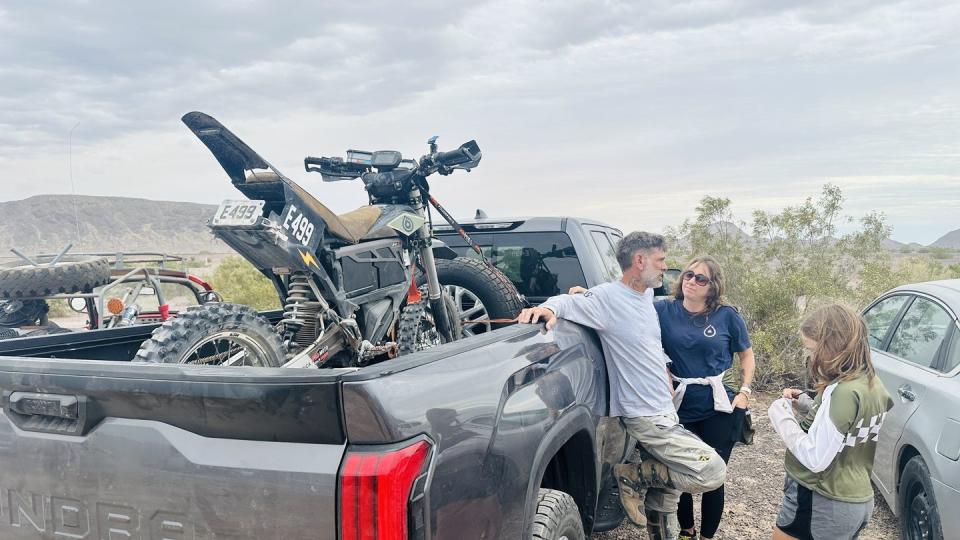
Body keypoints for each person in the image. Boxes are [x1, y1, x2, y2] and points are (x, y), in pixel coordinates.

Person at [518, 232, 726, 540]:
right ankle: (633, 476)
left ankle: (649, 488)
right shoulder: (606, 298)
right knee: (712, 471)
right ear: (639, 261)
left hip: (664, 408)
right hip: (646, 414)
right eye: (660, 260)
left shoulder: (643, 295)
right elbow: (568, 303)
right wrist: (548, 308)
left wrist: (664, 369)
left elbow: (639, 332)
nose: (665, 267)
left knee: (666, 497)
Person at [768, 304, 894, 540]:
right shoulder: (871, 383)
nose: (812, 357)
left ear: (833, 346)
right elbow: (852, 428)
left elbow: (815, 458)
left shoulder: (843, 393)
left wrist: (781, 417)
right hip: (856, 499)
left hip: (821, 498)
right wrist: (809, 404)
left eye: (813, 349)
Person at [655, 256, 756, 540]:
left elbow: (746, 355)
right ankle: (687, 531)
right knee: (683, 471)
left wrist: (745, 392)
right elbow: (627, 305)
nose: (692, 281)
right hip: (679, 406)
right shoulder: (664, 308)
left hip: (719, 407)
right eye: (689, 275)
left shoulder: (727, 316)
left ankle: (707, 537)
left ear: (713, 286)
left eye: (701, 278)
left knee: (714, 475)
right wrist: (585, 295)